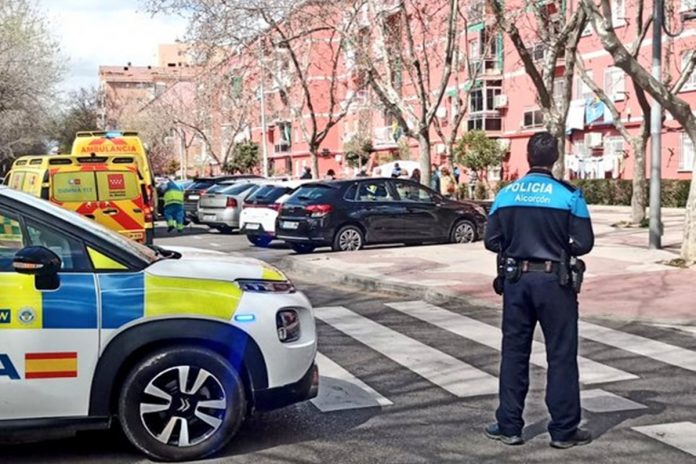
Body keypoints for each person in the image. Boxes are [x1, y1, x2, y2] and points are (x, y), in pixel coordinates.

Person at [483, 132, 594, 449]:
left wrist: (515, 244)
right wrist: (559, 246)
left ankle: (509, 426)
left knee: (514, 353)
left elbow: (491, 241)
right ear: (555, 157)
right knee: (561, 355)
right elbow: (584, 243)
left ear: (528, 156)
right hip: (554, 282)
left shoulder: (507, 194)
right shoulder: (569, 195)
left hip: (517, 281)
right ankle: (562, 431)